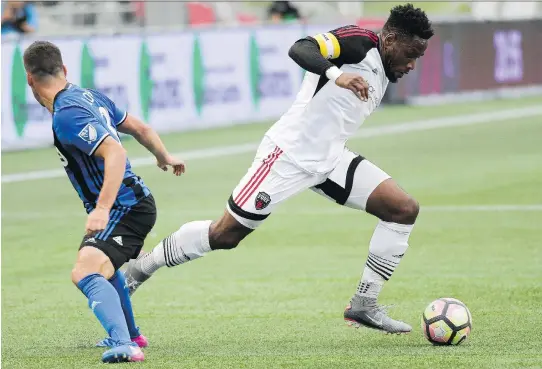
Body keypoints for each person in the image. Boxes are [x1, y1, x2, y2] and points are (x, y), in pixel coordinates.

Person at [125, 3, 434, 334]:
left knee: (403, 209)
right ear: (388, 39)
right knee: (225, 235)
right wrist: (337, 74)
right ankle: (141, 267)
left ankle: (364, 304)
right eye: (410, 53)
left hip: (330, 160)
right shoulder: (359, 42)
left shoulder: (384, 70)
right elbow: (301, 48)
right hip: (287, 156)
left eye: (418, 57)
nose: (412, 64)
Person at [23, 41, 185, 363]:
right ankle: (130, 335)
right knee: (104, 268)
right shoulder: (89, 96)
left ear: (29, 79)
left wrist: (101, 209)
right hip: (132, 201)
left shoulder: (67, 114)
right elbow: (140, 127)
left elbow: (115, 151)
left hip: (125, 206)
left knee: (84, 270)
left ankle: (127, 346)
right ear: (64, 70)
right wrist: (163, 155)